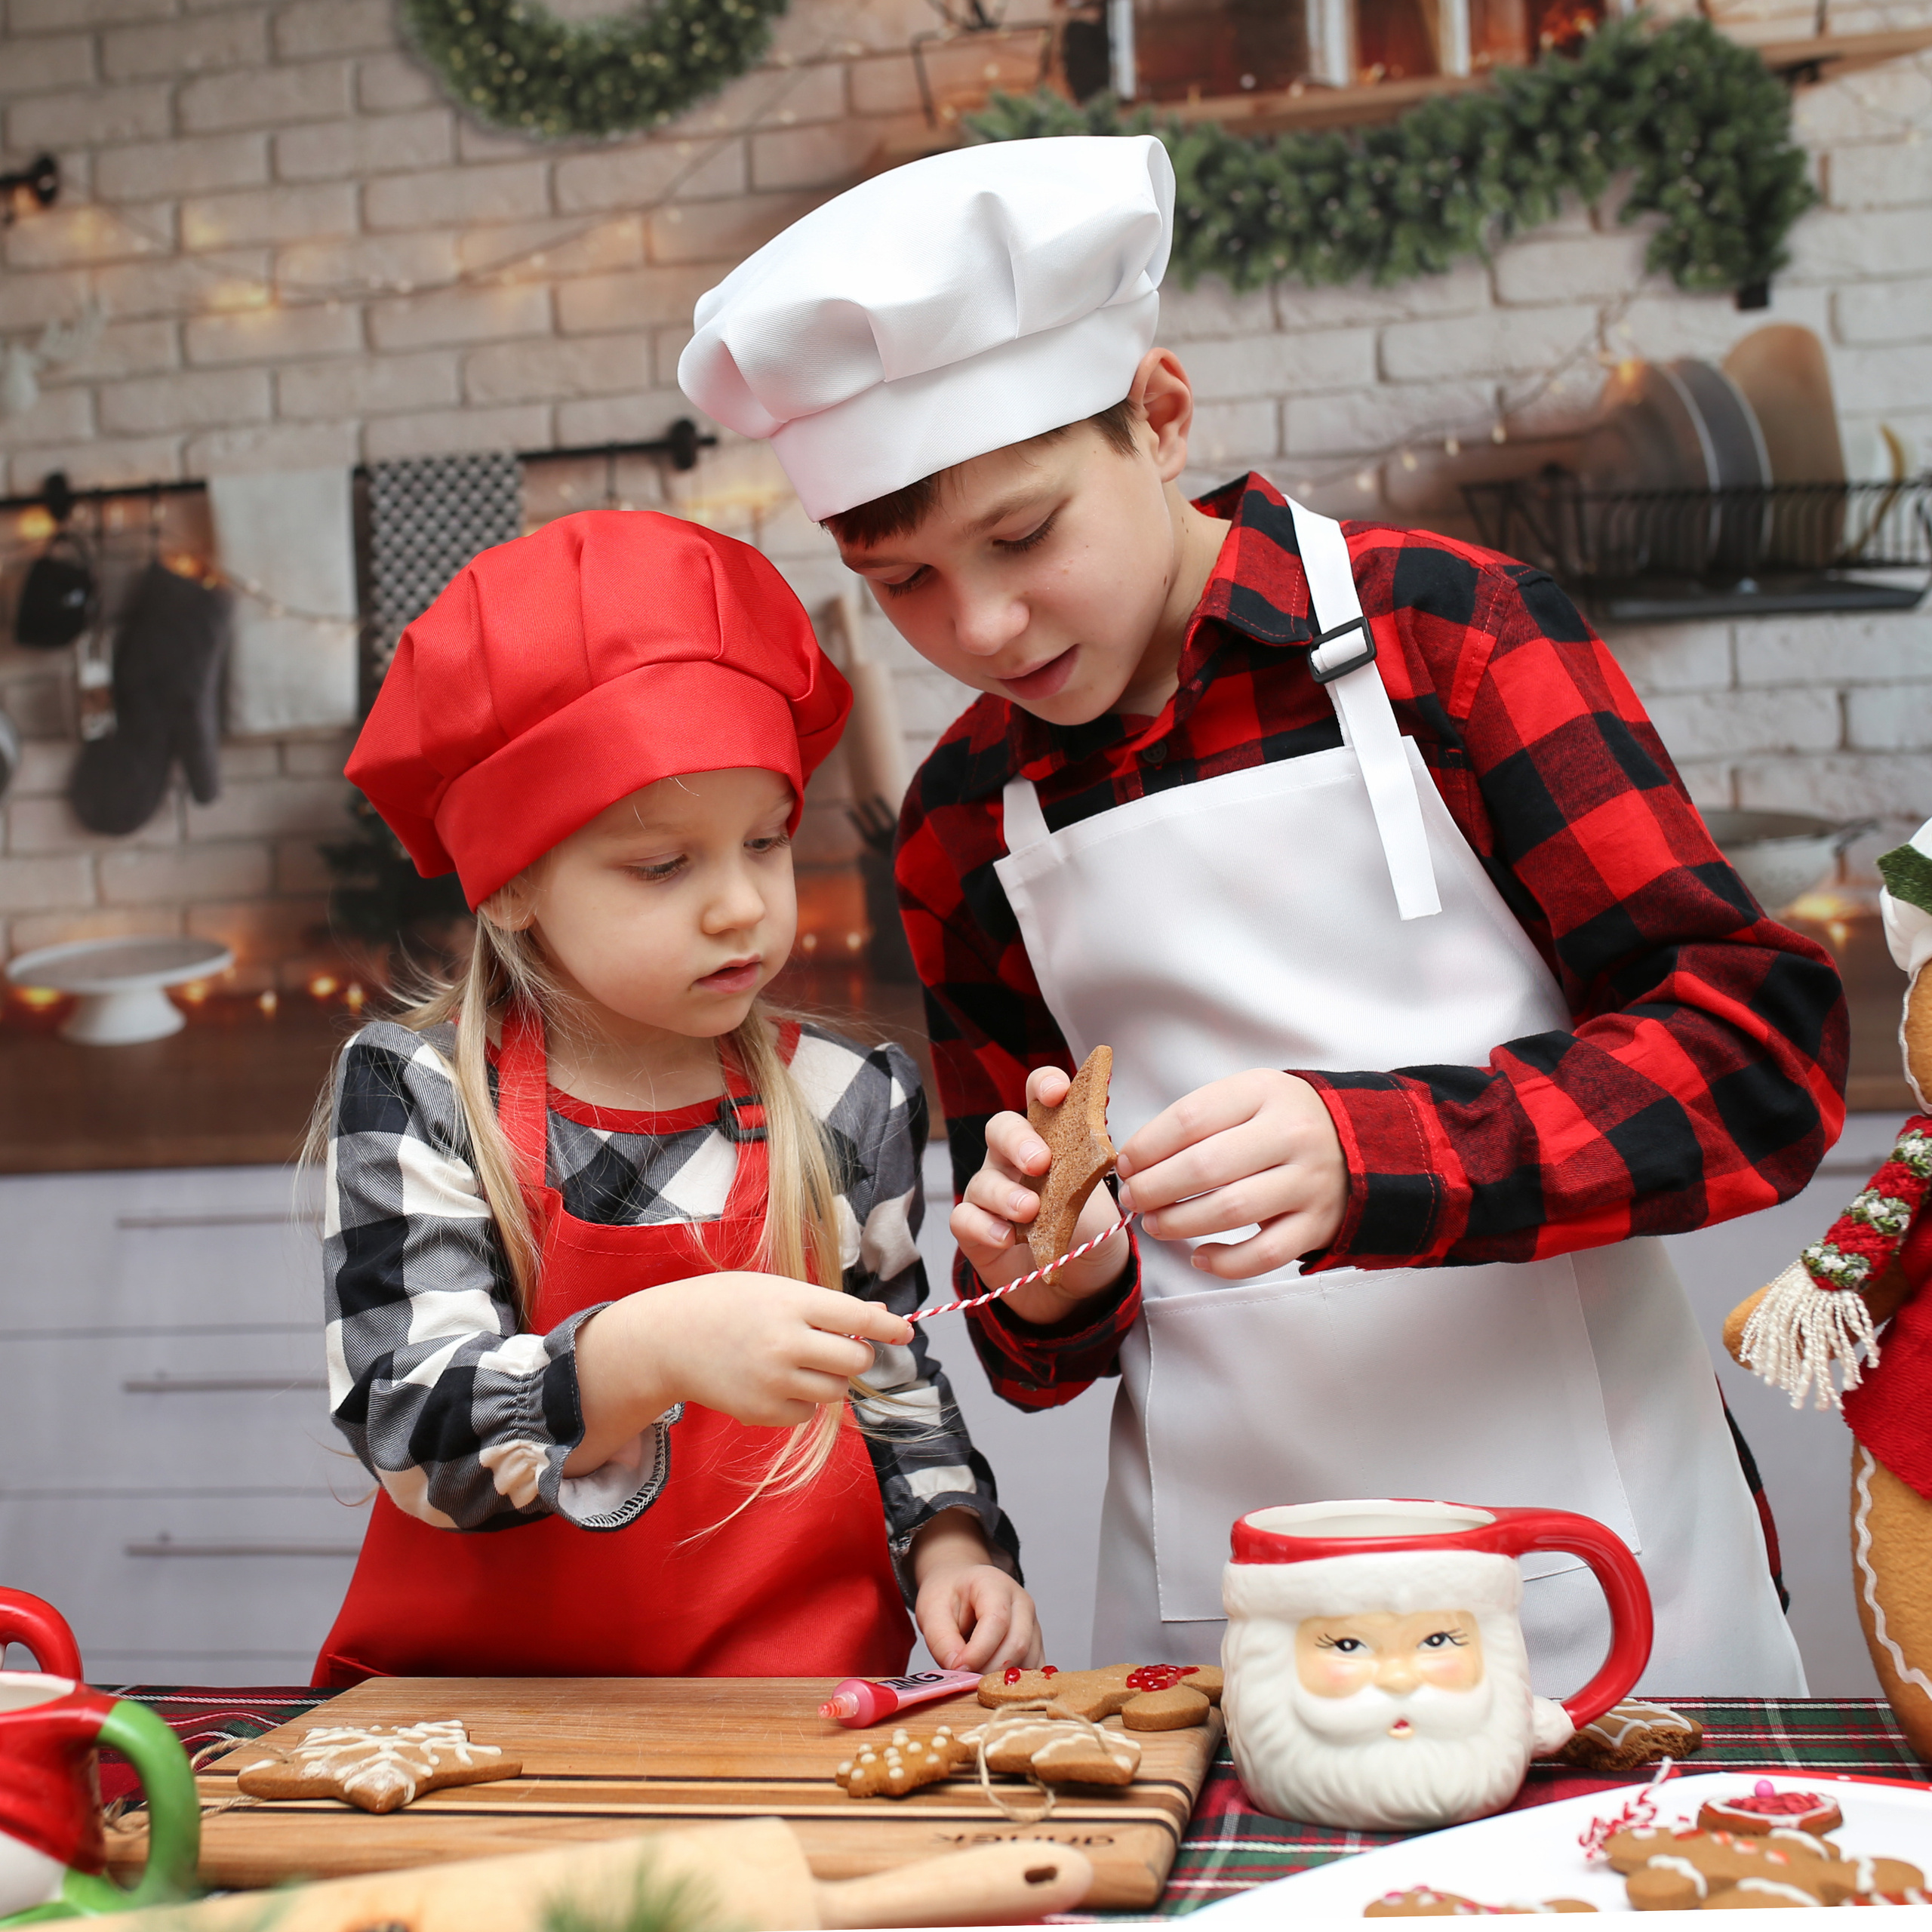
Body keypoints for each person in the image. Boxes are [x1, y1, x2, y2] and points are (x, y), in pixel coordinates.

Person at [678, 136, 1847, 1694]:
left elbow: (1760, 1064)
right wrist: (1063, 1273)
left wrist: (1369, 1151)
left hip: (1602, 1558)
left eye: (1022, 536)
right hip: (1226, 1603)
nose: (982, 627)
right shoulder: (962, 820)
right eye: (903, 582)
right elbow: (1036, 1352)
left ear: (1158, 418)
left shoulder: (1449, 638)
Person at [309, 510, 1038, 1684]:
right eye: (664, 865)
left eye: (767, 841)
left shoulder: (849, 1099)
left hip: (794, 1714)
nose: (742, 906)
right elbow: (414, 1437)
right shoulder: (426, 1092)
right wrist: (648, 1352)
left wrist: (953, 1551)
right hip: (485, 1729)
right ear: (511, 885)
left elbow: (896, 1386)